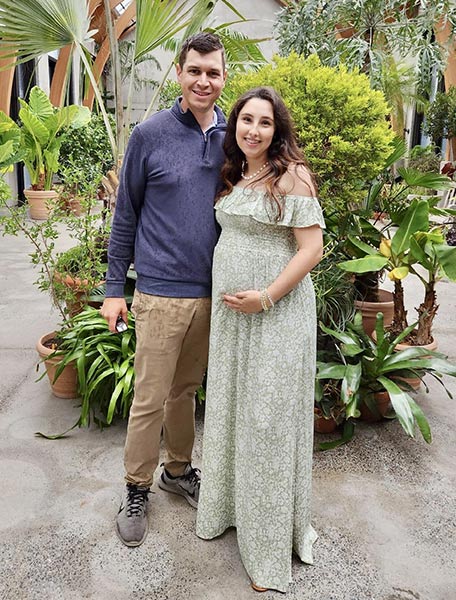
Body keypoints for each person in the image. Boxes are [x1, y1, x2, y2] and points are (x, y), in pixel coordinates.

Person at [196, 87, 325, 593]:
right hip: (234, 320)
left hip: (277, 314)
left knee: (267, 423)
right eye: (245, 120)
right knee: (230, 411)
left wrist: (266, 297)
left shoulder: (293, 176)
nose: (253, 130)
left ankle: (269, 549)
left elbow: (311, 249)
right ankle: (230, 511)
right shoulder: (236, 173)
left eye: (264, 123)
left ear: (278, 130)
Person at [101, 32, 227, 547]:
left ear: (223, 77)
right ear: (179, 72)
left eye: (213, 72)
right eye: (194, 70)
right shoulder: (149, 135)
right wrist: (115, 289)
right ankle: (136, 486)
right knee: (150, 396)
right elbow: (125, 214)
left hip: (211, 295)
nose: (203, 80)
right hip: (157, 293)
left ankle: (177, 471)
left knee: (185, 392)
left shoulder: (233, 136)